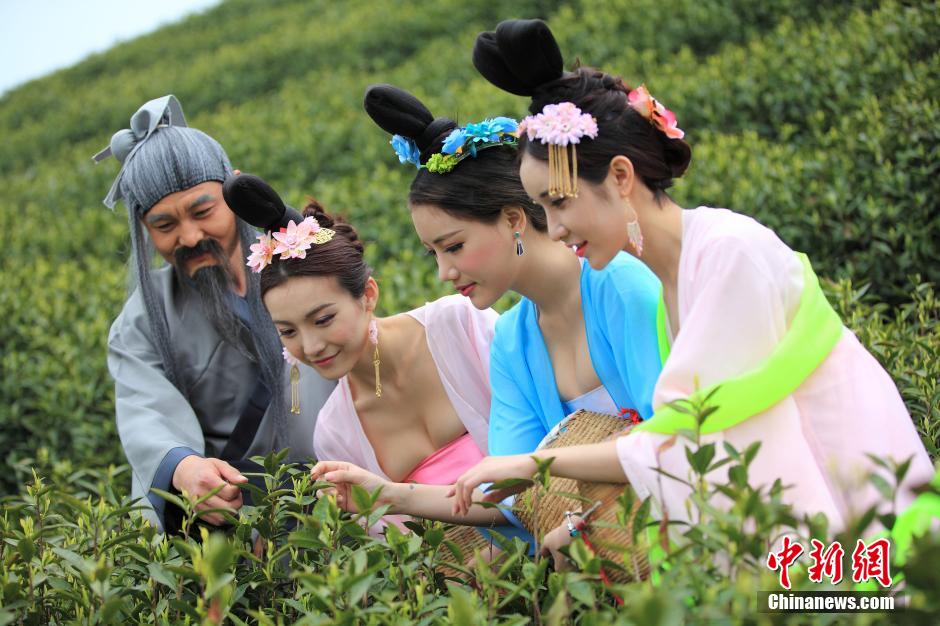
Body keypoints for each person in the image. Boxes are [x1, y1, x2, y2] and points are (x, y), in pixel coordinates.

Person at [449, 19, 934, 536]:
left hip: (862, 510)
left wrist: (534, 464)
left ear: (619, 176)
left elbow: (682, 439)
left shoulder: (728, 252)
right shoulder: (672, 284)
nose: (557, 227)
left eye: (560, 201)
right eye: (543, 208)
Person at [306, 85, 663, 564]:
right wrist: (388, 494)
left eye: (453, 246)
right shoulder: (514, 341)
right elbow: (509, 492)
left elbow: (676, 441)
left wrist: (581, 524)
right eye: (432, 254)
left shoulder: (619, 285)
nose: (443, 273)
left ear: (514, 219)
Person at [226, 173, 523, 540]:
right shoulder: (335, 432)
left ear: (368, 295)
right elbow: (403, 549)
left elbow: (541, 444)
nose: (311, 345)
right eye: (288, 331)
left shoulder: (459, 326)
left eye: (323, 319)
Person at [98, 95, 334, 532]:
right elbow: (144, 412)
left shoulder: (299, 263)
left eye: (202, 211)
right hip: (231, 513)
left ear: (236, 191)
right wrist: (185, 468)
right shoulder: (142, 323)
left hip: (337, 486)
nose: (189, 236)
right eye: (164, 225)